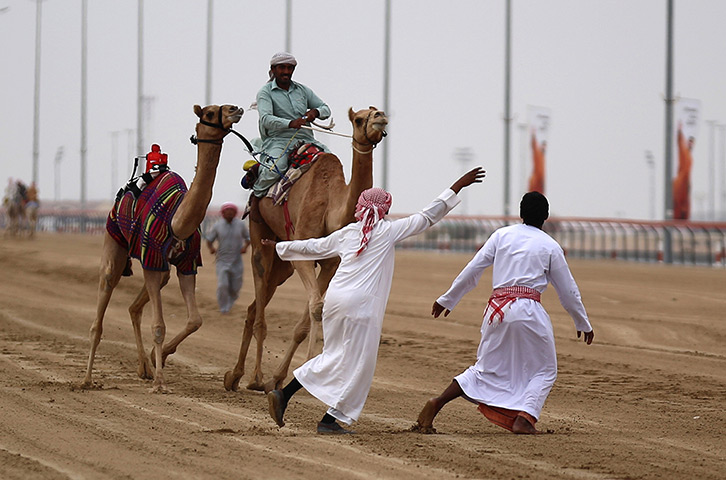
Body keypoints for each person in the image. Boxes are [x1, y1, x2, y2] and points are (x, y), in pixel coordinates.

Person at [264, 167, 486, 434]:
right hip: (361, 307)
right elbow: (428, 215)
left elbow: (312, 246)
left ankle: (288, 397)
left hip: (334, 301)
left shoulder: (347, 234)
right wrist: (458, 184)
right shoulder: (388, 231)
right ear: (386, 209)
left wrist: (278, 247)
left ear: (359, 208)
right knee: (359, 364)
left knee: (334, 355)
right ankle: (327, 419)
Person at [413, 191, 594, 435]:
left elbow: (473, 268)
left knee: (485, 367)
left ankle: (438, 402)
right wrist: (582, 322)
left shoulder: (501, 235)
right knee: (544, 370)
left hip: (496, 311)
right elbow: (568, 291)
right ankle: (524, 419)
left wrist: (448, 298)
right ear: (546, 217)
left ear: (520, 214)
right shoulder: (550, 246)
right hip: (528, 311)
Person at [250, 52, 331, 209]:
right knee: (277, 168)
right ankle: (256, 196)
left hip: (306, 139)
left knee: (331, 161)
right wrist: (290, 123)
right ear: (273, 69)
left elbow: (325, 109)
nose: (286, 71)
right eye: (282, 67)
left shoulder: (302, 90)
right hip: (278, 141)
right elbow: (266, 119)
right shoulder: (265, 92)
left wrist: (315, 112)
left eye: (290, 68)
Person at [205, 203, 251, 314]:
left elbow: (248, 238)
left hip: (237, 260)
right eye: (227, 211)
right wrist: (211, 248)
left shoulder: (240, 225)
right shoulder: (217, 226)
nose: (230, 213)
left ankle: (229, 303)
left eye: (232, 211)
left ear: (235, 213)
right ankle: (224, 308)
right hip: (222, 260)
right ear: (223, 213)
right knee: (223, 285)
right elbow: (209, 240)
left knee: (236, 287)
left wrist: (245, 247)